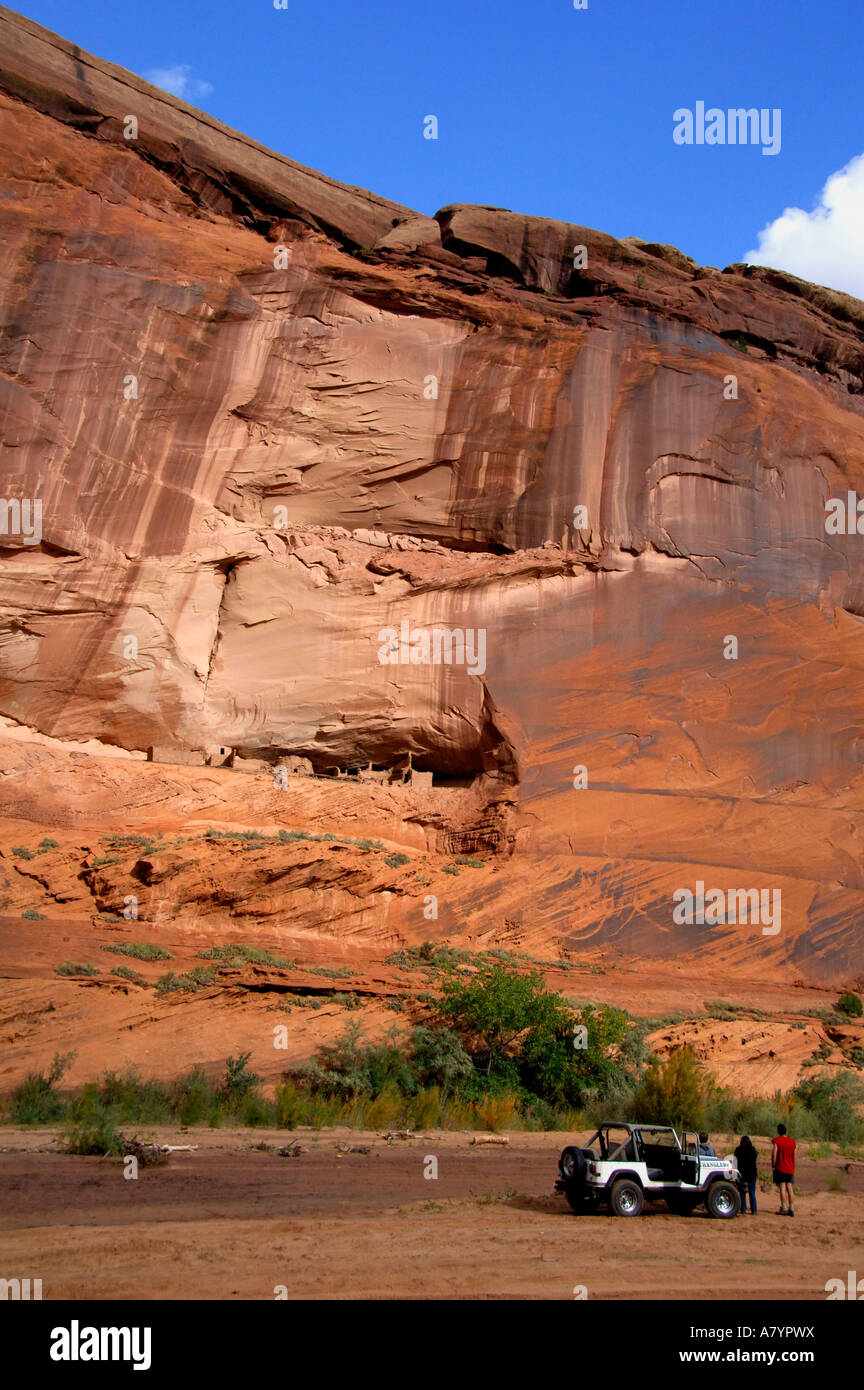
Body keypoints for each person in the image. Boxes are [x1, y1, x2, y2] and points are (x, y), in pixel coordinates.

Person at [771, 1122, 796, 1216]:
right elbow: (794, 1155)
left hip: (781, 1167)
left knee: (782, 1187)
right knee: (790, 1187)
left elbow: (774, 1154)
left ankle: (784, 1207)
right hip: (790, 1167)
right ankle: (792, 1208)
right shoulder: (792, 1142)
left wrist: (773, 1165)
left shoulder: (777, 1141)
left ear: (778, 1131)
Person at [734, 1135, 759, 1214]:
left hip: (742, 1174)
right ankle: (754, 1210)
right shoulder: (752, 1150)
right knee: (752, 1192)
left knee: (742, 1192)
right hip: (752, 1174)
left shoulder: (738, 1150)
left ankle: (743, 1209)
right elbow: (756, 1156)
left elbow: (735, 1160)